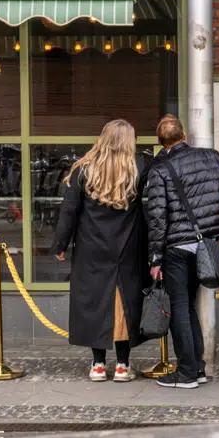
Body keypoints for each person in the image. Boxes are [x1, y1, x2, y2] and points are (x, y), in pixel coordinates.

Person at [142, 114, 219, 389]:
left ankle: (187, 372)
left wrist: (155, 258)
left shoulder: (160, 169)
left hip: (176, 249)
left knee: (180, 309)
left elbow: (157, 218)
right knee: (187, 307)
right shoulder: (210, 157)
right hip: (204, 247)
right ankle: (197, 368)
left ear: (158, 141)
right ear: (184, 136)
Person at [51, 119, 151, 382]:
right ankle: (122, 365)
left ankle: (97, 364)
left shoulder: (83, 170)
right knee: (124, 305)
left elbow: (69, 211)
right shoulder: (138, 168)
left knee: (95, 304)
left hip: (91, 248)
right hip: (127, 249)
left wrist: (60, 244)